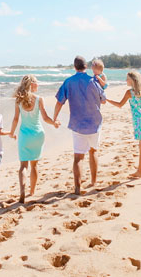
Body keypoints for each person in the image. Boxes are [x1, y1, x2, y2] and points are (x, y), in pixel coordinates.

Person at [53, 56, 107, 195]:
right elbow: (103, 100)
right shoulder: (94, 81)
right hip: (94, 123)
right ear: (86, 66)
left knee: (78, 157)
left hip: (78, 124)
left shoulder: (69, 81)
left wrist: (55, 117)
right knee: (93, 151)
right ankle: (93, 181)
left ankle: (77, 188)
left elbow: (60, 102)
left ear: (75, 66)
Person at [7, 75, 57, 203]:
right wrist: (54, 123)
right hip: (38, 134)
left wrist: (12, 133)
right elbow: (45, 118)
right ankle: (32, 191)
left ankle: (22, 192)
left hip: (24, 136)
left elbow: (16, 119)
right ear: (32, 84)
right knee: (34, 165)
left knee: (23, 165)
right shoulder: (39, 99)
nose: (38, 85)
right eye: (37, 83)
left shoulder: (18, 100)